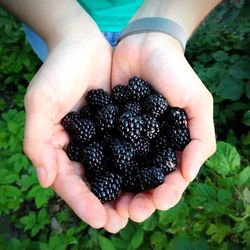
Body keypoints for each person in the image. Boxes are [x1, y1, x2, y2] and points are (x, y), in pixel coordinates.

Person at [0, 0, 220, 233]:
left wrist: (162, 27)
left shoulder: (136, 132)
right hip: (53, 21)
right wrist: (65, 30)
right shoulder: (111, 128)